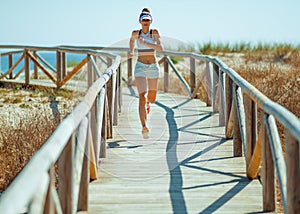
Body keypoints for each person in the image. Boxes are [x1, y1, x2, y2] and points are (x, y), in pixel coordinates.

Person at [129, 8, 163, 138]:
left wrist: (146, 43)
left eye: (148, 20)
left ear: (151, 21)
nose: (146, 22)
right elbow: (132, 41)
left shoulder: (154, 32)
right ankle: (144, 126)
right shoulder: (135, 33)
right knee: (142, 97)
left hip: (153, 67)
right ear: (140, 21)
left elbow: (160, 48)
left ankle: (149, 103)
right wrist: (131, 51)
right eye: (143, 19)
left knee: (152, 98)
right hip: (140, 67)